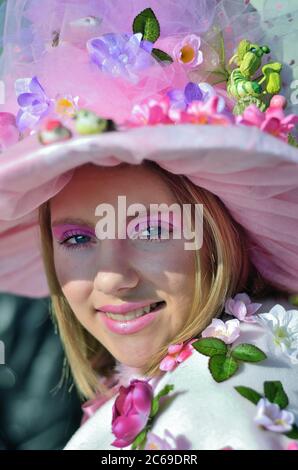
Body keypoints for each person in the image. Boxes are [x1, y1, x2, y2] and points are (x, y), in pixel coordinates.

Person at [0, 0, 298, 450]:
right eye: (78, 237)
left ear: (222, 229)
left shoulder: (215, 402)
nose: (112, 277)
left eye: (151, 230)